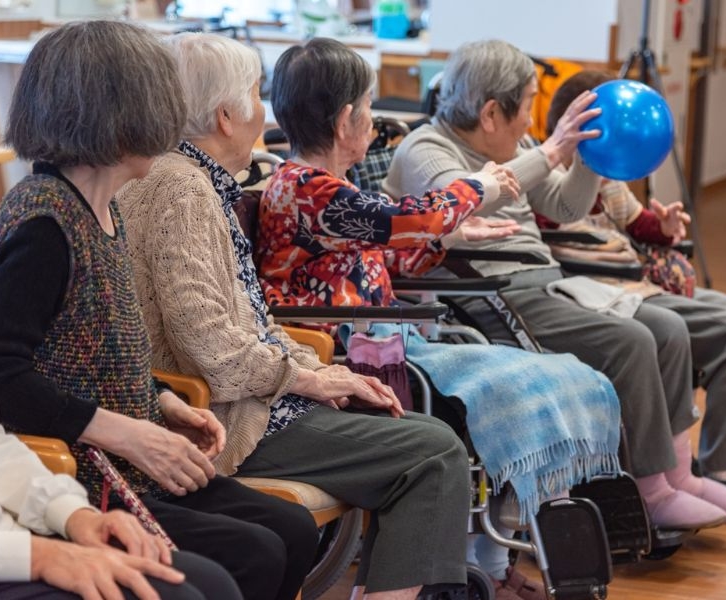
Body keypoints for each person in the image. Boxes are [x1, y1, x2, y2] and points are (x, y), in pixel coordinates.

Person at [253, 38, 626, 600]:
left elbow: (389, 255)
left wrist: (449, 237)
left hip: (387, 341)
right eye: (368, 107)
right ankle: (485, 550)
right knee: (521, 380)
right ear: (346, 120)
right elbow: (405, 217)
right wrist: (480, 187)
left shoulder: (332, 189)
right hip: (343, 355)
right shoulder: (304, 188)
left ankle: (498, 547)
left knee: (560, 372)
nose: (373, 119)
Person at [116, 33, 471, 600]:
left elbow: (248, 322)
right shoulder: (182, 189)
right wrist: (308, 379)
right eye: (256, 96)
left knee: (426, 437)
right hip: (225, 414)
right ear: (226, 116)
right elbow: (212, 348)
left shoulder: (193, 181)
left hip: (248, 396)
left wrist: (320, 371)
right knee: (433, 452)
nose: (265, 114)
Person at [0, 21, 318, 600]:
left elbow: (94, 353)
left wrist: (162, 401)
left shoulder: (102, 208)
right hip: (82, 471)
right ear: (123, 118)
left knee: (291, 528)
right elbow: (1, 377)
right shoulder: (44, 225)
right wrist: (130, 434)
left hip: (128, 457)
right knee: (256, 552)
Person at [384, 39, 726, 530]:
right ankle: (652, 491)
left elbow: (563, 207)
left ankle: (679, 474)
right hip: (490, 294)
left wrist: (585, 159)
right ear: (491, 114)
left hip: (545, 283)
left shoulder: (515, 147)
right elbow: (463, 200)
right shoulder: (427, 149)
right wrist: (552, 150)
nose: (530, 121)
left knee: (667, 329)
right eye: (527, 105)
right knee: (632, 341)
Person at [542, 68, 726, 509]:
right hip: (610, 291)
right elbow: (554, 219)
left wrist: (664, 226)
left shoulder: (610, 175)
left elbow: (638, 224)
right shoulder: (553, 179)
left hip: (640, 281)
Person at [0, 362, 242, 600]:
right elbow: (8, 373)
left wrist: (72, 514)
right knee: (183, 589)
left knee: (211, 582)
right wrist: (37, 556)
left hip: (3, 534)